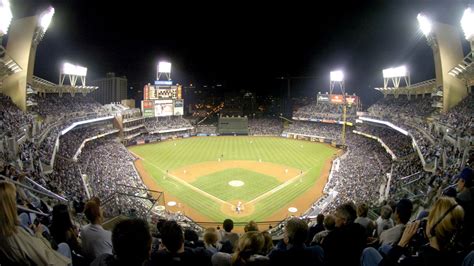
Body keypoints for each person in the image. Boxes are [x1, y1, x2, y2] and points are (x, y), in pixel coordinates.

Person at [361, 196, 465, 266]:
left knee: (368, 251)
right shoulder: (456, 256)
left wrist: (401, 244)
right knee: (384, 247)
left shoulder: (415, 261)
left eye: (429, 218)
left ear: (433, 228)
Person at [0, 181, 71, 265]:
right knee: (64, 247)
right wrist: (38, 234)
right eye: (15, 199)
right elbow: (46, 259)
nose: (17, 203)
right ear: (9, 205)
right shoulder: (16, 235)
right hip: (44, 258)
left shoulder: (5, 230)